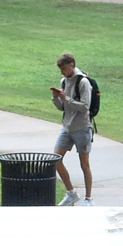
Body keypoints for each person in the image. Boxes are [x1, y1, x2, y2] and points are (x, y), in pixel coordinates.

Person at [48, 52, 95, 205]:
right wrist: (56, 98)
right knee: (55, 159)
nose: (63, 72)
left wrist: (66, 98)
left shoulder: (83, 82)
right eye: (61, 70)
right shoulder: (64, 81)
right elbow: (63, 107)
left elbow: (85, 107)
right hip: (67, 127)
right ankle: (71, 193)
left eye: (64, 69)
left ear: (72, 65)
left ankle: (89, 198)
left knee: (84, 163)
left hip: (82, 127)